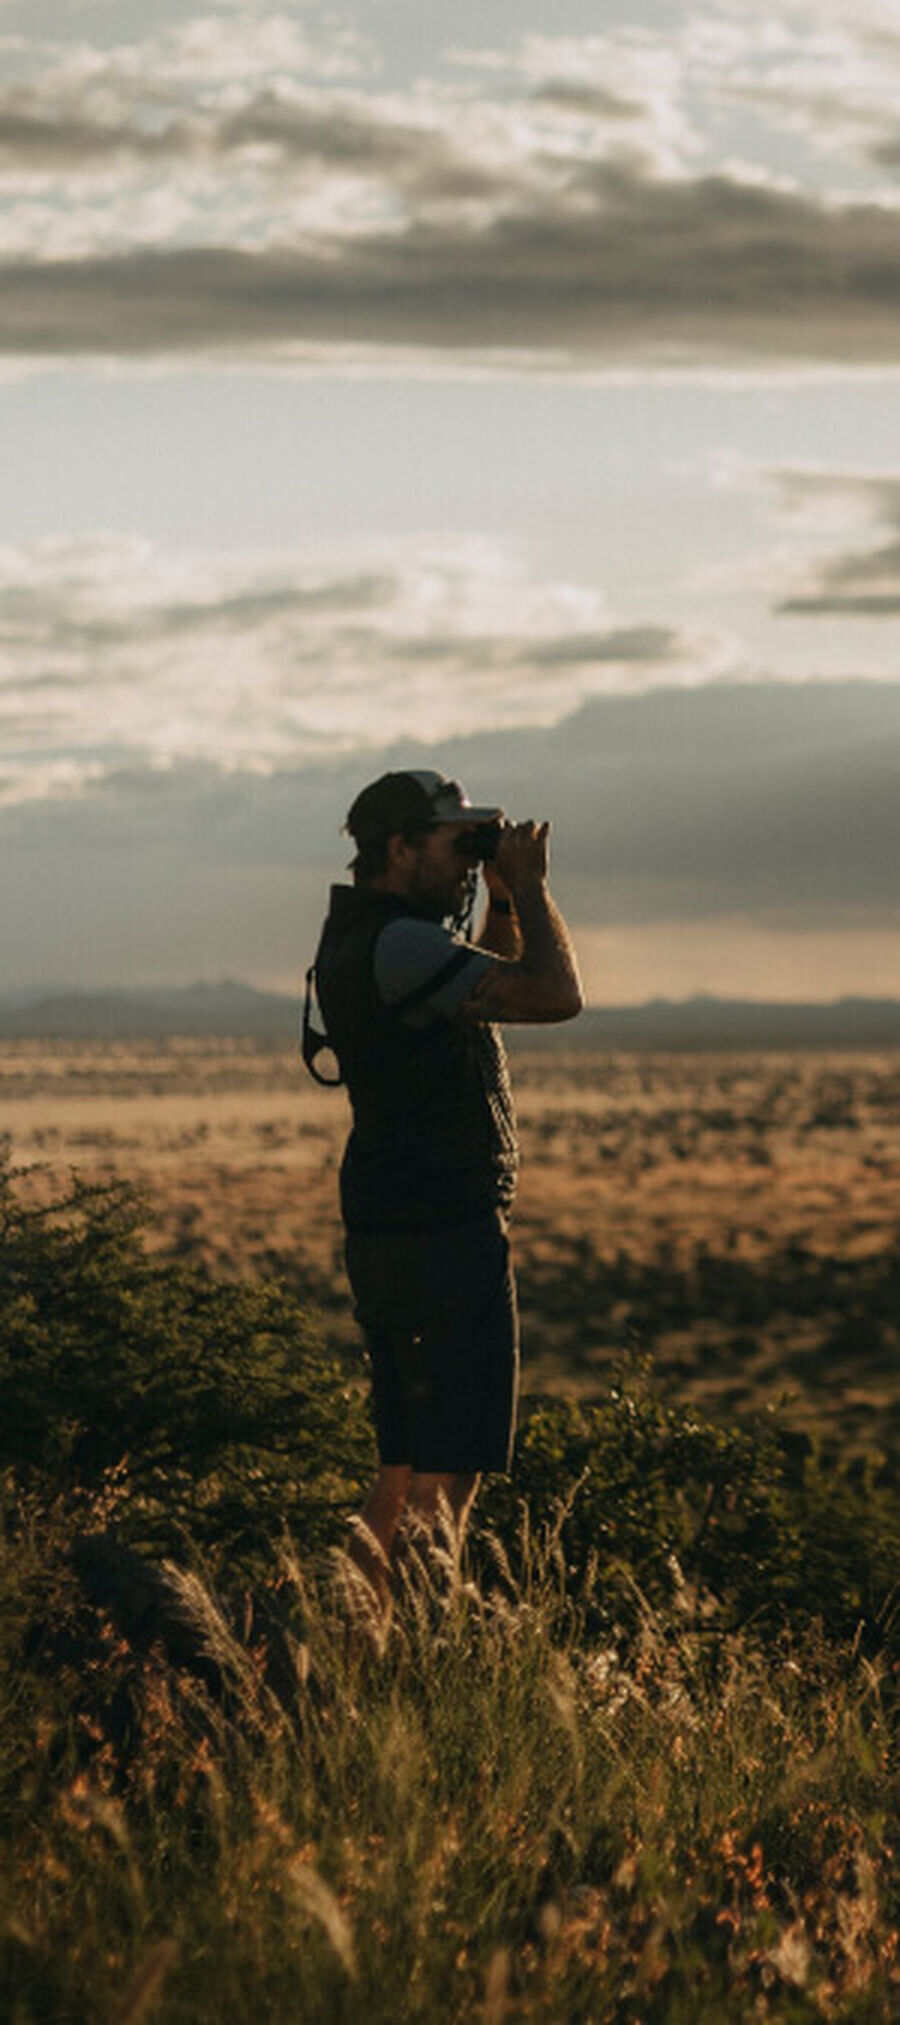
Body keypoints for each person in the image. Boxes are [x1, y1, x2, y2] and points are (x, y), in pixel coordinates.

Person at [307, 767, 583, 1616]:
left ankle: (353, 1644)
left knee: (401, 1464)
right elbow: (553, 994)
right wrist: (532, 889)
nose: (468, 862)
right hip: (442, 1232)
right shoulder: (402, 942)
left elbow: (485, 989)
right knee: (448, 1472)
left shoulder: (373, 938)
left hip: (394, 1224)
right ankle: (426, 1650)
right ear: (399, 848)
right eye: (452, 842)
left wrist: (496, 899)